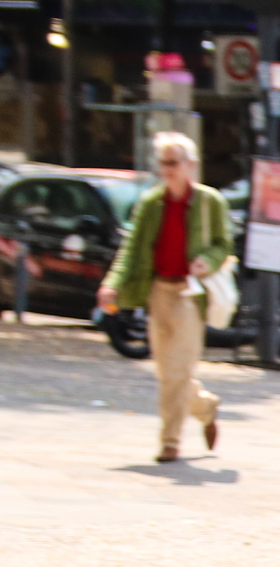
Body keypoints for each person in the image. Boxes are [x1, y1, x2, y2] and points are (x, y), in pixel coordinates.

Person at [98, 131, 231, 464]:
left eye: (173, 163)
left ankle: (170, 442)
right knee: (168, 372)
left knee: (176, 371)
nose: (167, 169)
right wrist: (111, 284)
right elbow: (130, 249)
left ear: (190, 165)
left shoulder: (209, 201)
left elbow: (223, 244)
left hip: (190, 292)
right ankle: (205, 406)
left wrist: (207, 261)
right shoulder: (150, 203)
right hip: (158, 289)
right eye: (163, 163)